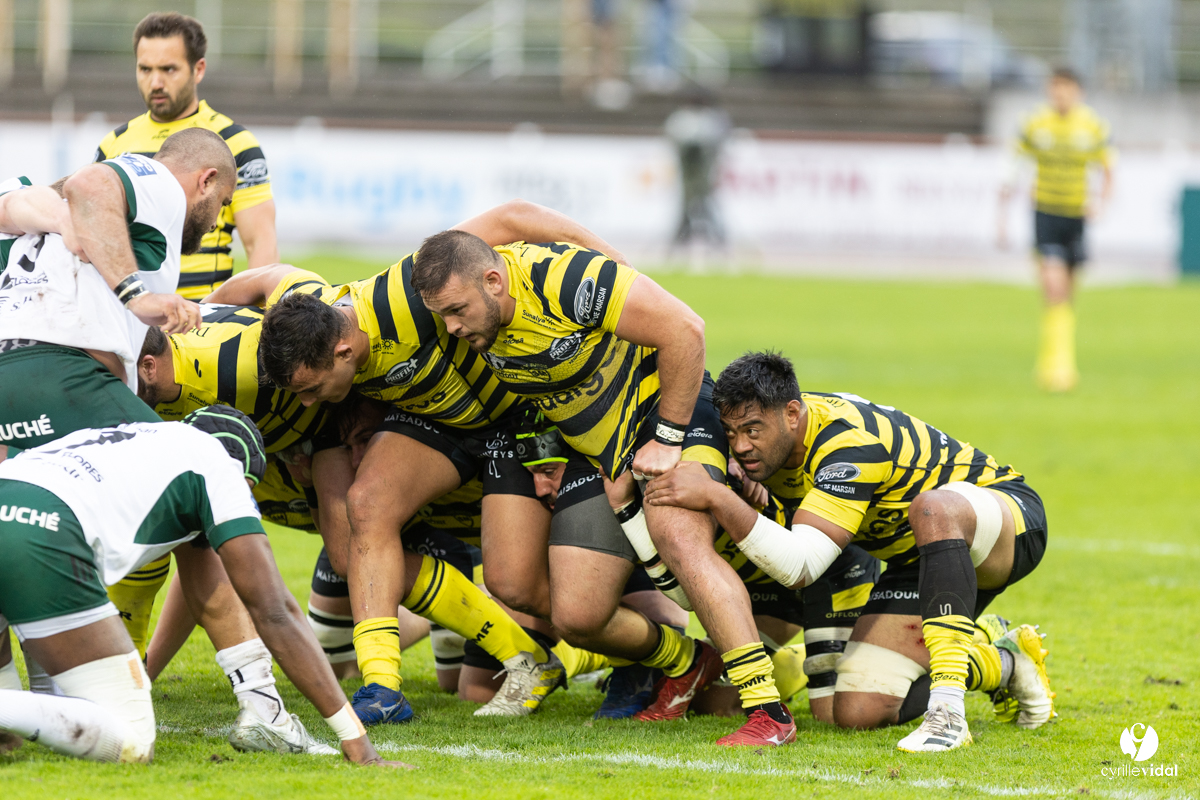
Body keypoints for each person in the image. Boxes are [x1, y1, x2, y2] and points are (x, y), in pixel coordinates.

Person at [247, 201, 631, 724]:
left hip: (519, 420)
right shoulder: (313, 318)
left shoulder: (404, 292)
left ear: (342, 350)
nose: (309, 404)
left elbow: (513, 216)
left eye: (313, 390)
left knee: (521, 585)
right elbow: (265, 280)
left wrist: (615, 267)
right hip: (440, 421)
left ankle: (640, 652)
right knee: (368, 503)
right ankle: (381, 688)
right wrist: (193, 306)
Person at [410, 233, 794, 747]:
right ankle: (687, 661)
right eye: (443, 318)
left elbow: (686, 329)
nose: (452, 328)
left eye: (457, 311)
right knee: (573, 613)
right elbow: (537, 390)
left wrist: (668, 438)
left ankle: (768, 711)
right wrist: (545, 459)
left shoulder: (562, 279)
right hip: (599, 452)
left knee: (677, 534)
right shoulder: (481, 323)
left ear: (494, 280)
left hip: (668, 417)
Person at [135, 310, 572, 717]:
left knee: (355, 559)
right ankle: (131, 673)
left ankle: (537, 653)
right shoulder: (173, 396)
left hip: (351, 436)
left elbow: (284, 280)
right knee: (337, 634)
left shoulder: (232, 371)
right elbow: (195, 552)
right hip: (313, 449)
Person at [644, 351, 1055, 753]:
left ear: (792, 414)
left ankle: (947, 711)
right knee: (855, 711)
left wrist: (719, 497)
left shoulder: (849, 446)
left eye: (753, 430)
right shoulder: (772, 447)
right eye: (731, 433)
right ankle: (1005, 661)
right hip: (910, 560)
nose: (741, 446)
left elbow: (799, 565)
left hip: (998, 522)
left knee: (932, 507)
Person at [0, 407, 405, 767]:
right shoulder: (218, 465)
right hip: (41, 533)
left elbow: (203, 594)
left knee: (8, 742)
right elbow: (274, 610)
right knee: (133, 739)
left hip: (13, 493)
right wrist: (358, 744)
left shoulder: (135, 437)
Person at [515, 411, 877, 722]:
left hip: (823, 573)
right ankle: (792, 665)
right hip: (756, 591)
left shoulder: (690, 473)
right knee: (712, 703)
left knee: (838, 714)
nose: (541, 488)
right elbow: (679, 590)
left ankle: (831, 657)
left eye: (550, 470)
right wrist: (624, 505)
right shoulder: (615, 504)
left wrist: (735, 468)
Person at [96, 12, 278, 300]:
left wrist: (259, 325)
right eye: (145, 69)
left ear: (199, 69)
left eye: (168, 69)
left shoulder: (235, 143)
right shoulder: (114, 144)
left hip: (204, 319)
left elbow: (260, 246)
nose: (155, 82)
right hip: (133, 314)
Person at [998, 67, 1114, 392]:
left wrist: (1100, 203)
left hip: (1075, 215)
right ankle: (1061, 370)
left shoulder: (1092, 125)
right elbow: (1012, 165)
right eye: (1054, 89)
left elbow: (1108, 171)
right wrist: (1002, 216)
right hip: (1045, 211)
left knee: (1067, 295)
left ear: (1078, 92)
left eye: (1065, 89)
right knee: (1053, 286)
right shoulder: (1035, 123)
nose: (1059, 95)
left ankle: (1051, 360)